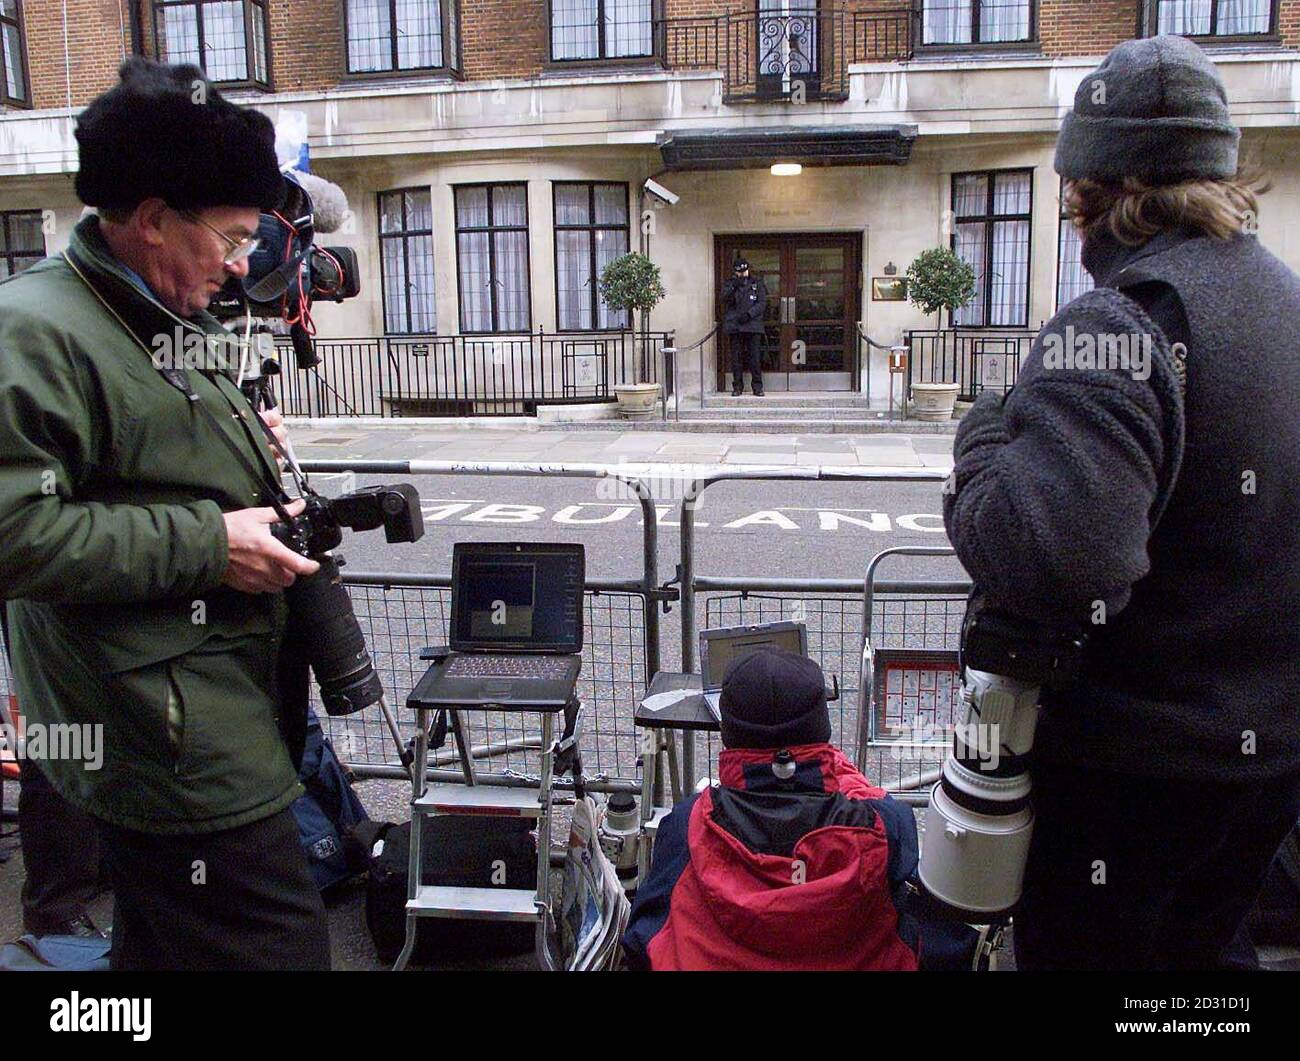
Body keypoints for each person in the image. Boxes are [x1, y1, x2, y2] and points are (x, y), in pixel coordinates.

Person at [943, 35, 1300, 970]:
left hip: (1136, 777)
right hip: (1262, 768)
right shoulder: (1287, 307)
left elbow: (1051, 558)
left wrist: (985, 434)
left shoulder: (1120, 320)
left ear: (1092, 189)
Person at [0, 58, 329, 970]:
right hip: (165, 738)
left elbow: (147, 449)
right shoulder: (32, 329)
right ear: (150, 220)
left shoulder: (151, 310)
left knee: (159, 951)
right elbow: (13, 534)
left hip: (204, 701)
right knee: (276, 945)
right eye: (227, 239)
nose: (237, 266)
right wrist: (208, 544)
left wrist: (248, 443)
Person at [622, 650, 922, 970]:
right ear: (822, 729)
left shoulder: (689, 824)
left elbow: (645, 935)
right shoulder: (885, 825)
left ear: (728, 732)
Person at [720, 257, 768, 396]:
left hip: (752, 326)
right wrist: (734, 287)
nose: (743, 274)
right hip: (735, 326)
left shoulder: (756, 283)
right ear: (735, 272)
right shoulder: (730, 284)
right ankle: (737, 387)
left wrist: (749, 314)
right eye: (740, 272)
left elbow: (762, 303)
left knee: (755, 358)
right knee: (736, 358)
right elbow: (724, 299)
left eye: (745, 271)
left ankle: (757, 387)